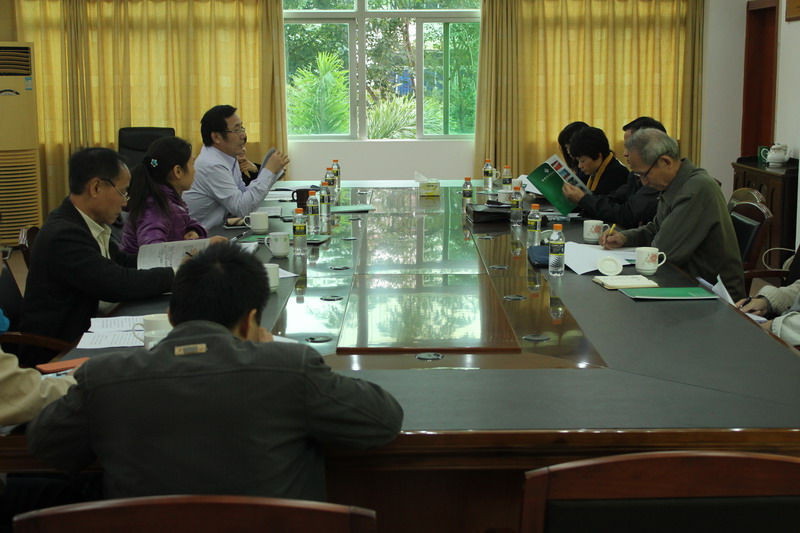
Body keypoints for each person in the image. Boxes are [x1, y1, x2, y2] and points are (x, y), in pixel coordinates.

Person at [27, 243, 403, 502]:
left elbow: (44, 445)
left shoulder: (105, 378)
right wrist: (271, 353)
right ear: (251, 321)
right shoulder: (290, 369)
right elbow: (382, 419)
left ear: (171, 316)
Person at [19, 148, 175, 367]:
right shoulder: (64, 234)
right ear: (96, 188)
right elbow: (116, 283)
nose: (125, 203)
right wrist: (176, 273)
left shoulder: (86, 222)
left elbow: (121, 262)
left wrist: (174, 260)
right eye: (123, 192)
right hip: (60, 350)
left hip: (93, 330)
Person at [600, 128, 745, 301]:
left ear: (666, 161)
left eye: (643, 174)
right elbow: (656, 228)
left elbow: (663, 252)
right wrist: (625, 238)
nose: (643, 182)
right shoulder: (675, 183)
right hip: (685, 279)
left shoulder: (695, 190)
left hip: (713, 294)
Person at [183, 105, 290, 228]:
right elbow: (242, 208)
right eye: (236, 130)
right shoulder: (212, 165)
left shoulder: (227, 157)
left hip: (221, 229)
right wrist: (268, 172)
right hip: (203, 234)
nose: (243, 135)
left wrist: (272, 175)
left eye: (242, 128)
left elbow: (244, 195)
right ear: (217, 137)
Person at [562, 117, 664, 228]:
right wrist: (583, 199)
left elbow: (627, 215)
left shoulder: (656, 181)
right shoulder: (634, 175)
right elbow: (613, 198)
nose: (625, 153)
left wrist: (583, 199)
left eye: (629, 148)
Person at [121, 137, 207, 253]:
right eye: (193, 164)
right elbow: (153, 254)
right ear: (178, 171)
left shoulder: (168, 200)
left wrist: (194, 231)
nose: (195, 171)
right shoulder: (155, 208)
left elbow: (188, 221)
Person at [566, 126, 629, 196]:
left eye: (582, 161)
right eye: (578, 161)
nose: (579, 166)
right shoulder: (595, 170)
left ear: (598, 156)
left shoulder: (616, 174)